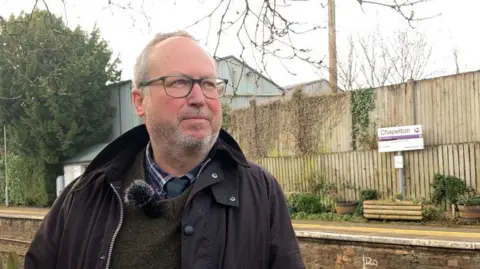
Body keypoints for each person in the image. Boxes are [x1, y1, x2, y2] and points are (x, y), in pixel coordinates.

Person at [24, 30, 305, 269]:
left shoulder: (260, 192)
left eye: (208, 84)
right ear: (139, 102)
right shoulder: (85, 196)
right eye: (179, 83)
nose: (199, 98)